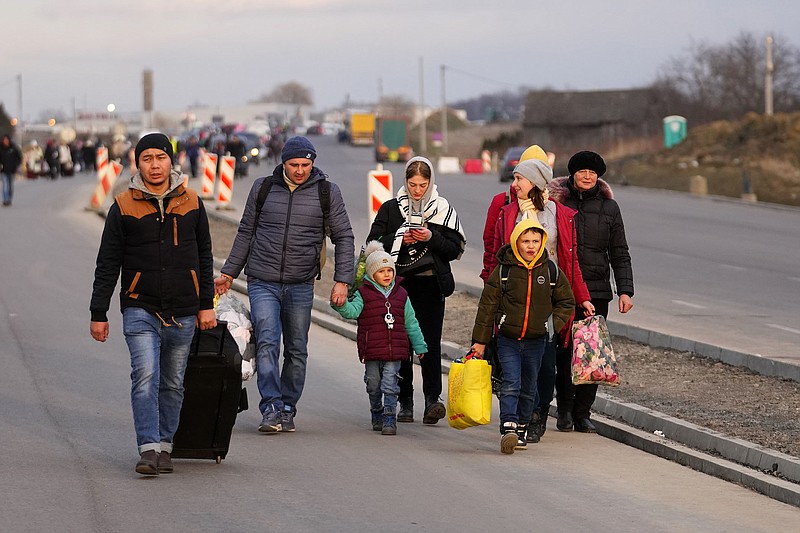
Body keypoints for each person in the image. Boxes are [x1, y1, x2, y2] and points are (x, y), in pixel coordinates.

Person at [89, 132, 217, 475]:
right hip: (140, 306)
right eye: (147, 159)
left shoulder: (191, 201)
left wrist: (207, 304)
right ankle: (148, 448)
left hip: (184, 310)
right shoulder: (123, 205)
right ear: (138, 163)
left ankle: (165, 445)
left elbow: (205, 257)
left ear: (170, 161)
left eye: (160, 158)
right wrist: (98, 312)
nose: (154, 165)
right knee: (145, 374)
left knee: (173, 381)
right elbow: (108, 262)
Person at [215, 136, 355, 433]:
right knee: (266, 341)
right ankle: (271, 407)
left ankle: (288, 406)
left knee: (296, 348)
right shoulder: (263, 188)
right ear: (283, 163)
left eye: (306, 164)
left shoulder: (327, 192)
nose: (301, 170)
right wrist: (228, 273)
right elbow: (245, 232)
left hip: (300, 283)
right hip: (262, 280)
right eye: (294, 164)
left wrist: (343, 280)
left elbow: (344, 237)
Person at [485, 148, 595, 440]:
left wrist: (581, 297)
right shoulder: (508, 212)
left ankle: (538, 414)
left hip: (548, 298)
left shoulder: (562, 214)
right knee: (513, 366)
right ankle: (518, 417)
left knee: (545, 366)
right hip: (514, 296)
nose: (514, 183)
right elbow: (496, 255)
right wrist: (491, 292)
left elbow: (570, 262)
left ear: (534, 182)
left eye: (519, 178)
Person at [366, 156, 466, 425]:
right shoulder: (391, 209)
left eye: (423, 184)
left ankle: (433, 400)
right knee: (402, 345)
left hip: (431, 284)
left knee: (430, 344)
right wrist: (399, 236)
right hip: (398, 286)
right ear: (405, 182)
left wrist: (431, 238)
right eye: (412, 184)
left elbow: (455, 250)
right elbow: (372, 244)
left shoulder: (442, 209)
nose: (417, 190)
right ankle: (405, 402)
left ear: (431, 182)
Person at [471, 218, 575, 454]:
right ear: (515, 242)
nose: (531, 246)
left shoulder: (550, 271)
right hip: (508, 338)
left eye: (535, 241)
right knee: (511, 382)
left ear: (543, 242)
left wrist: (551, 326)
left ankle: (521, 426)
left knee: (529, 386)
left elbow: (566, 301)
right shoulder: (503, 271)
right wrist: (480, 341)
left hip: (537, 340)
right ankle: (508, 425)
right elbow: (487, 307)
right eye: (525, 241)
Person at [548, 150, 634, 433]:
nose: (587, 176)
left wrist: (625, 291)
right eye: (582, 171)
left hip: (597, 291)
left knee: (592, 353)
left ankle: (583, 413)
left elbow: (620, 252)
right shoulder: (558, 202)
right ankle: (565, 410)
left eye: (592, 172)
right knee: (564, 353)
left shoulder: (610, 208)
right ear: (572, 174)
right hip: (563, 289)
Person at [332, 241, 428, 436]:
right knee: (374, 383)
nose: (387, 275)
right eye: (381, 271)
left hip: (395, 350)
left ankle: (389, 417)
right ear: (371, 274)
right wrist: (340, 305)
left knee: (390, 383)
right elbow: (352, 311)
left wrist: (420, 345)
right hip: (372, 349)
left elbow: (411, 322)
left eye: (389, 270)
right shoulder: (363, 293)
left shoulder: (401, 294)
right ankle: (377, 410)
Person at [1, 134, 22, 206]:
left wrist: (16, 165)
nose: (5, 141)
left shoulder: (14, 148)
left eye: (7, 140)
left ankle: (9, 198)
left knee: (10, 186)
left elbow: (19, 158)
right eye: (4, 140)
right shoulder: (1, 148)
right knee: (5, 185)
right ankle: (5, 199)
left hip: (12, 170)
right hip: (3, 170)